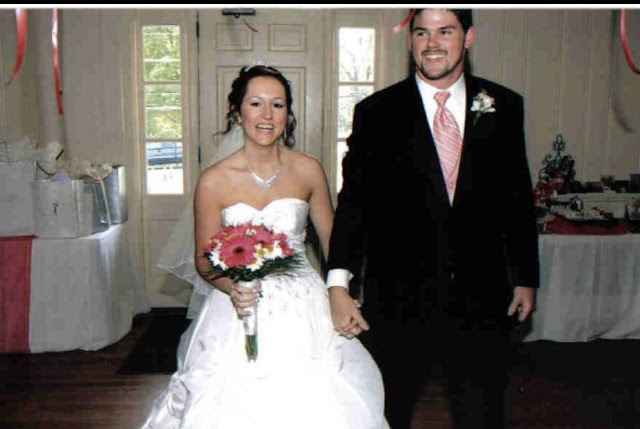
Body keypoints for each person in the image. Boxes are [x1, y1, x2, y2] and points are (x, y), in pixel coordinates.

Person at [140, 64, 389, 429]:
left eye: (278, 104)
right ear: (237, 112)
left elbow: (335, 243)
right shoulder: (214, 181)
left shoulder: (308, 170)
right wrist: (233, 287)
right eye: (256, 103)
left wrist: (341, 294)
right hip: (237, 307)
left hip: (305, 306)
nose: (267, 115)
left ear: (288, 114)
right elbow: (204, 260)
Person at [326, 8, 540, 429]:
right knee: (391, 409)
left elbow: (516, 197)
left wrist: (525, 276)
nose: (432, 44)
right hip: (399, 298)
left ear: (469, 37)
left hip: (482, 296)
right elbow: (354, 205)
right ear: (410, 40)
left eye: (445, 31)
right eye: (422, 33)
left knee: (480, 412)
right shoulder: (376, 112)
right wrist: (338, 284)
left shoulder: (504, 105)